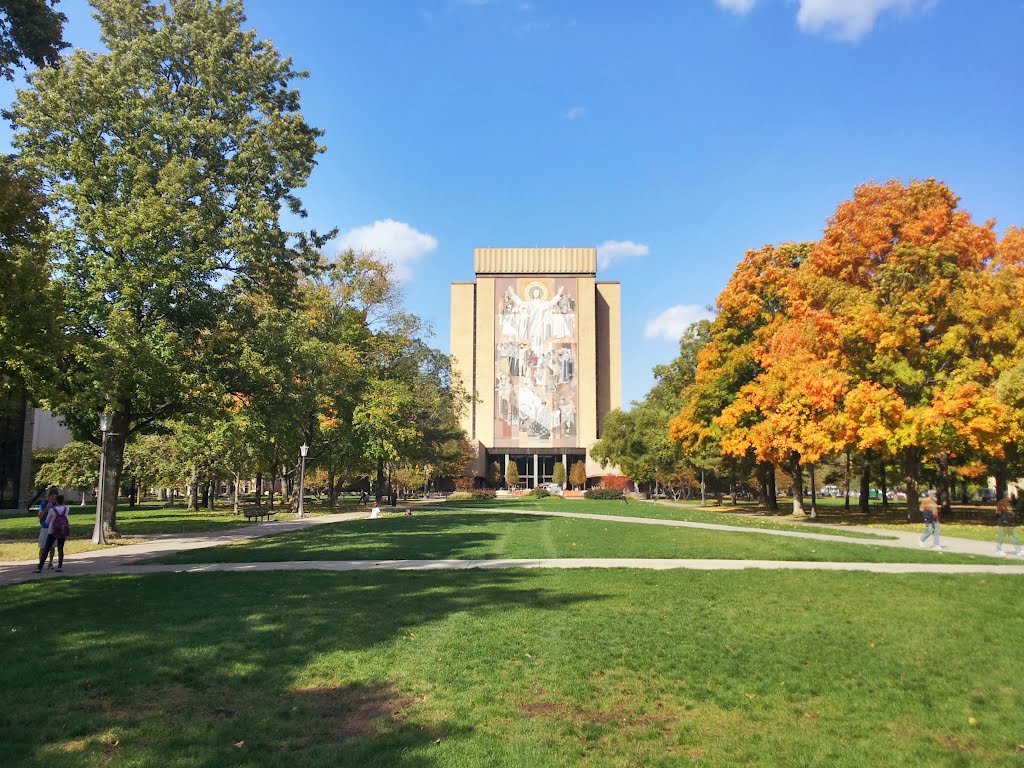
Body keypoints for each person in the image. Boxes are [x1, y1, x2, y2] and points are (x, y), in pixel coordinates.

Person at [34, 494, 71, 573]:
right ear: (63, 501)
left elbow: (47, 521)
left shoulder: (52, 510)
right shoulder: (66, 509)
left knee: (47, 548)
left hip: (52, 531)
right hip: (62, 530)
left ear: (56, 502)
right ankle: (59, 566)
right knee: (60, 548)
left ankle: (40, 567)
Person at [37, 489, 58, 570]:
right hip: (45, 528)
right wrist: (47, 507)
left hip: (54, 528)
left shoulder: (57, 505)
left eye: (55, 496)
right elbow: (40, 516)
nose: (53, 497)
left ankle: (50, 562)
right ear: (49, 496)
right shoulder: (44, 504)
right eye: (52, 495)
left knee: (52, 547)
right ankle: (40, 562)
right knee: (42, 547)